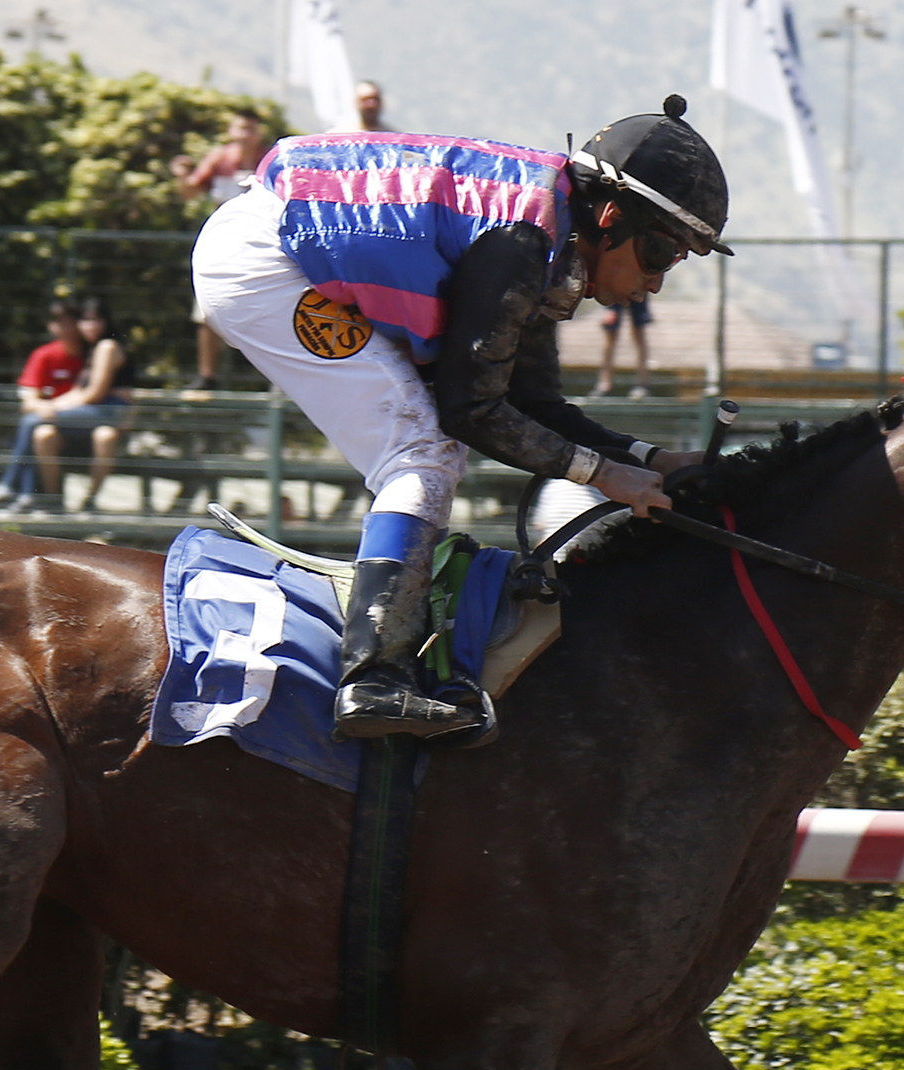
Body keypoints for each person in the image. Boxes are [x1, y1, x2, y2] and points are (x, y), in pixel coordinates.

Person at [193, 95, 726, 741]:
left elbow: (534, 406)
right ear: (611, 219)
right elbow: (471, 410)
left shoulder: (547, 229)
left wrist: (647, 458)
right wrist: (602, 475)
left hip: (277, 242)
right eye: (661, 255)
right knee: (425, 451)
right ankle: (373, 679)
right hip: (264, 261)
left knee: (431, 447)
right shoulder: (522, 240)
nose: (657, 283)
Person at [0, 298, 127, 517]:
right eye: (60, 323)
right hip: (65, 428)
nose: (67, 329)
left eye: (70, 323)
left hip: (94, 424)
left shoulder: (100, 350)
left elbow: (95, 392)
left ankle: (10, 486)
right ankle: (42, 499)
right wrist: (44, 407)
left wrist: (52, 408)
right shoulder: (46, 355)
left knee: (33, 421)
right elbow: (29, 401)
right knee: (41, 431)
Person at [174, 111, 271, 390]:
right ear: (230, 131)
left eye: (251, 129)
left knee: (268, 309)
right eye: (241, 128)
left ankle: (272, 379)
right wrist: (182, 175)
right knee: (208, 309)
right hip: (224, 243)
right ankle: (207, 376)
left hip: (263, 244)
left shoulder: (267, 160)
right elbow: (191, 191)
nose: (246, 135)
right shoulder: (219, 159)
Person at [595, 296, 653, 397]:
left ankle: (642, 384)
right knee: (611, 332)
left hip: (637, 290)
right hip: (615, 291)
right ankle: (604, 384)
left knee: (639, 332)